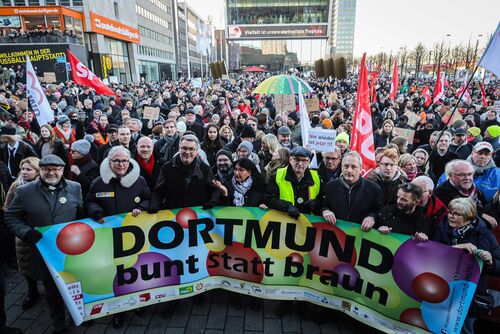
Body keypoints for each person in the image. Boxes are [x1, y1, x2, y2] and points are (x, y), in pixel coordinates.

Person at [5, 155, 83, 334]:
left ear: (63, 170)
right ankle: (59, 325)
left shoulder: (75, 188)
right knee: (52, 291)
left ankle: (78, 316)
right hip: (44, 252)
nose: (51, 172)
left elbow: (82, 215)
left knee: (75, 286)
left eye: (56, 169)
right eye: (47, 169)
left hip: (72, 251)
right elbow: (10, 216)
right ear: (40, 170)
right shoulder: (25, 191)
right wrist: (26, 232)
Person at [433, 198, 500, 334]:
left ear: (469, 217)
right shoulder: (440, 228)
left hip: (469, 296)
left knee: (465, 330)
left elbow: (498, 267)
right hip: (442, 291)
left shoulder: (485, 234)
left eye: (457, 214)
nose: (451, 216)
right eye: (450, 212)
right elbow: (431, 257)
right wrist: (456, 249)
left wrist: (491, 261)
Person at [3, 157, 40, 312]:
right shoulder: (16, 186)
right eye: (23, 169)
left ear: (37, 171)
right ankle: (33, 291)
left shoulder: (44, 186)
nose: (24, 172)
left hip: (44, 230)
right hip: (24, 232)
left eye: (29, 169)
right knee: (26, 264)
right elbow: (7, 207)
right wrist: (21, 219)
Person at [150, 134, 215, 211]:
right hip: (173, 216)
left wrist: (212, 202)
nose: (187, 152)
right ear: (179, 148)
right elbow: (158, 191)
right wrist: (155, 204)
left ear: (196, 150)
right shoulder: (167, 168)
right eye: (184, 148)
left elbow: (214, 189)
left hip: (197, 217)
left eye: (191, 149)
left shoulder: (205, 169)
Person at [321, 151, 382, 228]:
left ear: (360, 169)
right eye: (346, 166)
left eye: (353, 167)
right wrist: (325, 210)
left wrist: (372, 217)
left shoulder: (374, 189)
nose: (349, 170)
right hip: (336, 233)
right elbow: (323, 205)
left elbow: (380, 212)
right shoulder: (331, 186)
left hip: (361, 236)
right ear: (341, 167)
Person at [434, 160, 497, 228]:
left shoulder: (475, 190)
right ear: (450, 175)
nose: (467, 178)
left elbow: (485, 206)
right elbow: (456, 215)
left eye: (470, 174)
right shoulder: (441, 192)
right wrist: (481, 215)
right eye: (462, 175)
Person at [266, 146, 322, 218]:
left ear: (309, 162)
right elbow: (269, 199)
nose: (300, 163)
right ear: (290, 159)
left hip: (308, 223)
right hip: (284, 220)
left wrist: (316, 203)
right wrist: (287, 207)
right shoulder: (277, 175)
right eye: (297, 160)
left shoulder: (316, 177)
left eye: (304, 160)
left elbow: (322, 199)